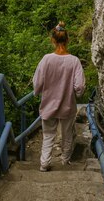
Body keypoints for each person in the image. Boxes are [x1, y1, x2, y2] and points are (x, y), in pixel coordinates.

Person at [33, 21, 85, 172]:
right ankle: (65, 160)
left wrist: (38, 92)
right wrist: (77, 94)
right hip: (67, 105)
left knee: (48, 135)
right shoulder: (74, 61)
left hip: (49, 104)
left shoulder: (46, 59)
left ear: (53, 40)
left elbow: (38, 82)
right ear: (67, 40)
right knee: (67, 134)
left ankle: (44, 163)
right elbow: (79, 86)